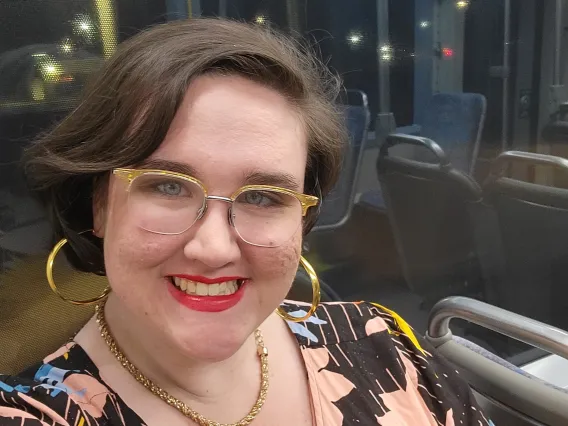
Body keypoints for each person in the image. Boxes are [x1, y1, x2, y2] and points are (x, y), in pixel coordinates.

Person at [0, 18, 492, 426]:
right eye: (167, 185)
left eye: (262, 196)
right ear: (99, 205)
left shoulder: (383, 345)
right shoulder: (38, 414)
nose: (214, 249)